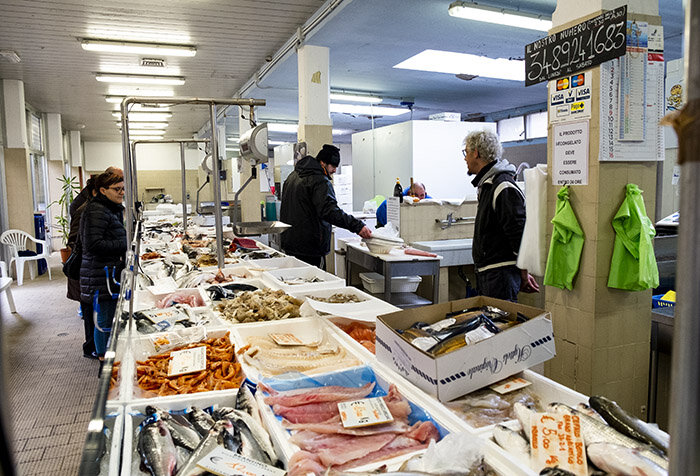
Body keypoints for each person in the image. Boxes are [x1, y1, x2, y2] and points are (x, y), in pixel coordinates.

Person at [463, 130, 539, 301]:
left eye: (466, 152)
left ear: (476, 153)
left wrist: (524, 274)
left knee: (500, 326)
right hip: (491, 274)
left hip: (500, 276)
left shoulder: (503, 186)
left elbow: (518, 235)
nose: (465, 158)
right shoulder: (488, 185)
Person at [280, 144, 372, 267]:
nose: (334, 170)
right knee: (313, 282)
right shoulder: (319, 180)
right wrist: (357, 226)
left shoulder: (293, 176)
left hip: (290, 243)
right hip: (310, 248)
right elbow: (329, 211)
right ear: (322, 163)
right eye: (333, 166)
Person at [79, 172, 127, 358]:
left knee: (108, 319)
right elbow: (92, 245)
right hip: (101, 276)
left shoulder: (108, 208)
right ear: (102, 190)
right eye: (117, 189)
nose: (121, 192)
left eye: (123, 188)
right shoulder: (96, 210)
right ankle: (103, 362)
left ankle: (107, 355)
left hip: (106, 273)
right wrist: (125, 243)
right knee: (105, 321)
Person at [66, 177, 97, 359]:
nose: (121, 193)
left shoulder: (89, 206)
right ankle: (90, 347)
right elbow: (74, 240)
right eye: (117, 188)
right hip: (86, 269)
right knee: (89, 308)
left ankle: (93, 345)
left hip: (90, 269)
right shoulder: (85, 211)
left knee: (91, 308)